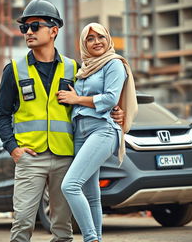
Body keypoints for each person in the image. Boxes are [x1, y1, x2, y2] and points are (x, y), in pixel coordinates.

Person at [0, 0, 125, 242]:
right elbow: (1, 115)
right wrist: (13, 150)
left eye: (35, 26)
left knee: (63, 229)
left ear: (54, 31)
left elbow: (94, 102)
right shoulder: (14, 69)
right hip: (30, 157)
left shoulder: (74, 69)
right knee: (22, 223)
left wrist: (116, 112)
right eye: (25, 28)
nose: (29, 32)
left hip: (66, 156)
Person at [58, 23, 138, 242]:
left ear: (108, 38)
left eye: (100, 37)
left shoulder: (114, 64)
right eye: (90, 39)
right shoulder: (83, 69)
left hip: (102, 130)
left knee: (70, 185)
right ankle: (97, 239)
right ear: (84, 44)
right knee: (91, 193)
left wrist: (77, 99)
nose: (96, 42)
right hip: (80, 132)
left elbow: (111, 98)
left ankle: (90, 238)